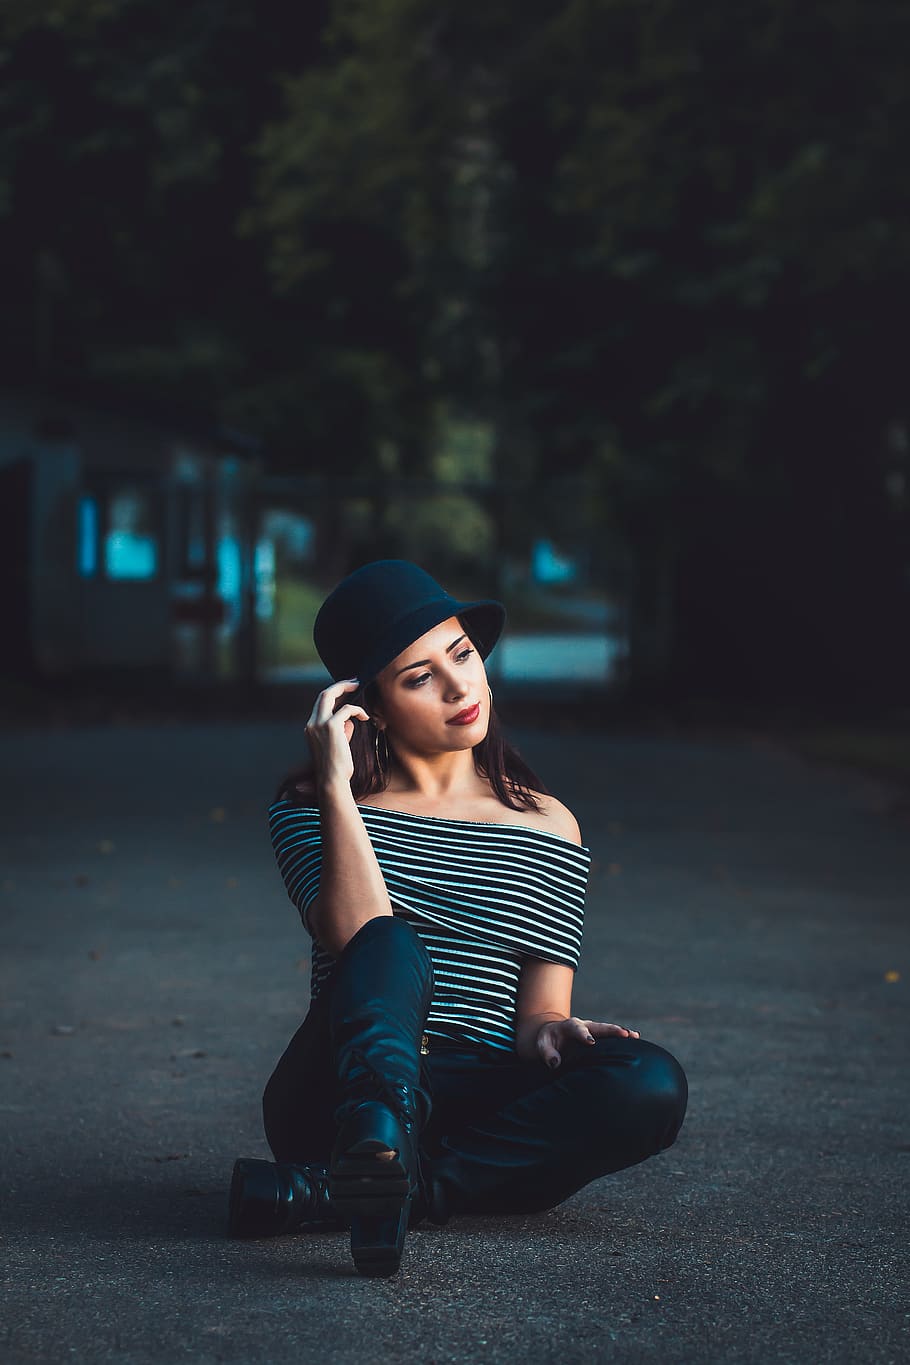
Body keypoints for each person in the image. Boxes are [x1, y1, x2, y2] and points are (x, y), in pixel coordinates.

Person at [228, 559, 687, 1277]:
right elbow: (353, 941)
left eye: (463, 654)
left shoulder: (549, 824)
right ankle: (370, 1155)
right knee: (390, 939)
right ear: (366, 706)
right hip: (339, 1094)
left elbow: (537, 1017)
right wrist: (338, 787)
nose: (459, 685)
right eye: (418, 676)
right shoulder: (310, 809)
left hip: (472, 1094)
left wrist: (555, 1031)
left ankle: (360, 1193)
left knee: (650, 1080)